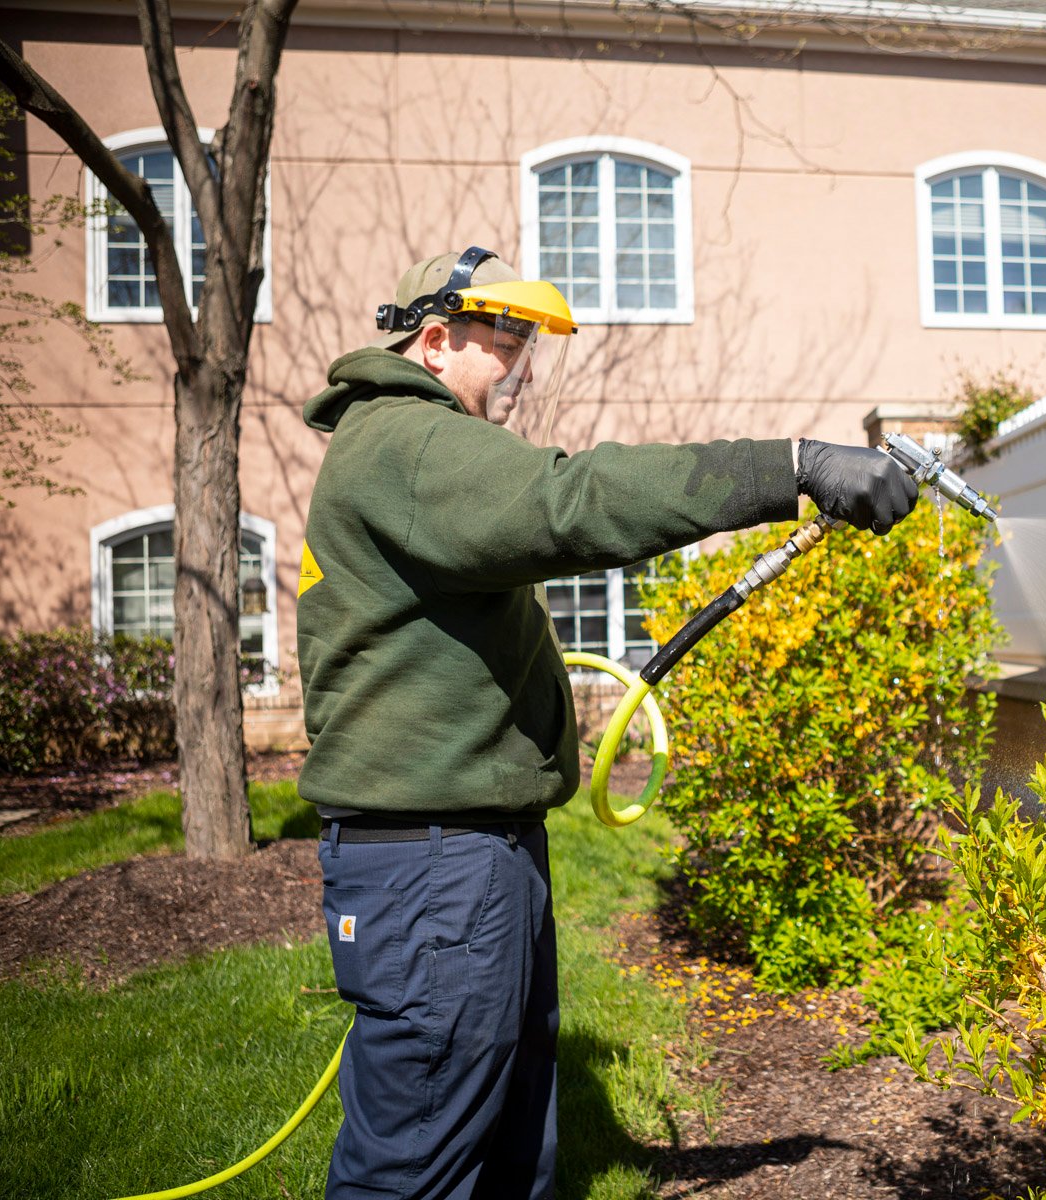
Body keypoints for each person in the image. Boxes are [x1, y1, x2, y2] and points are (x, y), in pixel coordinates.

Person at [295, 247, 918, 1200]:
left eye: (529, 341)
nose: (524, 364)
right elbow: (572, 500)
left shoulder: (404, 452)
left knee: (504, 1134)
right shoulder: (410, 444)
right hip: (434, 868)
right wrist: (789, 467)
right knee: (414, 1164)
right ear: (434, 339)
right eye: (507, 337)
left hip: (466, 854)